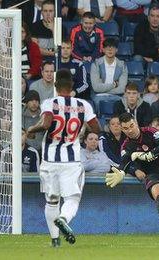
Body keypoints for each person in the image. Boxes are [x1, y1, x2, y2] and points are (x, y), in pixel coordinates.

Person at [26, 69, 101, 247]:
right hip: (72, 160)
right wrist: (80, 132)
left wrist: (30, 130)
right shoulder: (83, 105)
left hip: (50, 160)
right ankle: (64, 218)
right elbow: (97, 128)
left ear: (55, 85)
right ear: (72, 85)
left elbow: (45, 124)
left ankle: (55, 240)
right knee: (72, 198)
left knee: (52, 200)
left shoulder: (50, 103)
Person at [104, 113, 159, 233]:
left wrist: (150, 154)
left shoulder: (150, 131)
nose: (129, 130)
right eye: (125, 128)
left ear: (136, 123)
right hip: (153, 175)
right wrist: (121, 173)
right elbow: (124, 163)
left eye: (131, 126)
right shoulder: (126, 146)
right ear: (122, 129)